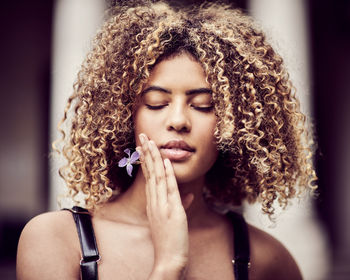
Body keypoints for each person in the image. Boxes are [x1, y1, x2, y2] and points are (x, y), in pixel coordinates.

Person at [16, 1, 317, 279]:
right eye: (157, 102)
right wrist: (168, 265)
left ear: (235, 123)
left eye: (203, 106)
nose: (178, 121)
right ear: (125, 117)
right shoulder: (55, 239)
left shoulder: (267, 260)